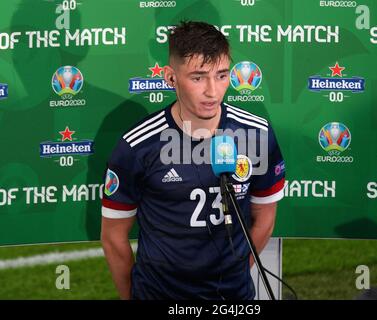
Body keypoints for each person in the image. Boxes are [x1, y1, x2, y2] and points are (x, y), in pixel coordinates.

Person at [100, 21, 285, 300]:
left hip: (235, 297)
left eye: (222, 75)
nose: (213, 91)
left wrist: (232, 271)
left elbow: (265, 218)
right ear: (171, 78)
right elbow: (113, 237)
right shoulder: (137, 145)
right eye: (198, 78)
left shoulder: (257, 134)